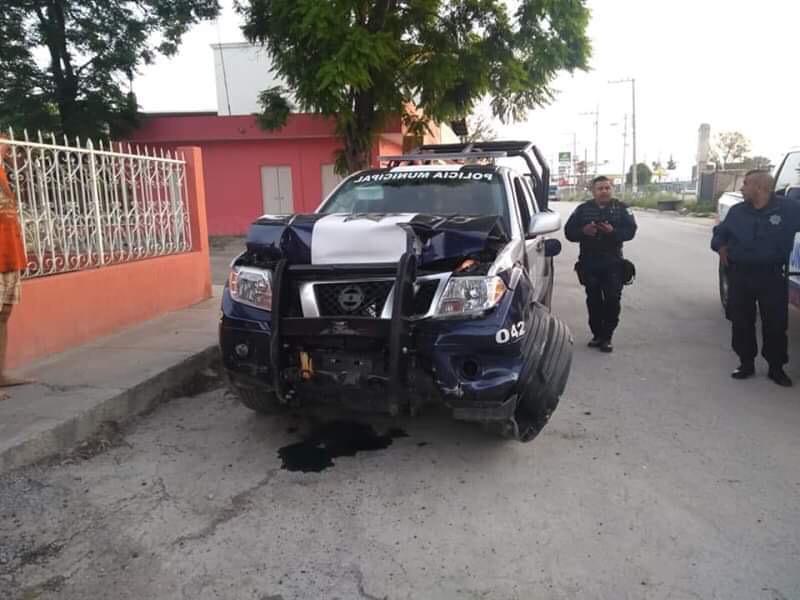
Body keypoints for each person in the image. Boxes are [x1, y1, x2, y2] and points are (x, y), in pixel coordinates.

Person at [711, 170, 800, 387]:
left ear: (760, 187)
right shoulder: (737, 211)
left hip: (771, 275)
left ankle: (776, 368)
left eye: (746, 184)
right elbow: (720, 232)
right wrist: (720, 245)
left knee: (776, 324)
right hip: (740, 274)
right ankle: (746, 363)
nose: (742, 188)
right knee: (741, 322)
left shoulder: (789, 209)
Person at [564, 176, 637, 353]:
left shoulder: (622, 209)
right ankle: (597, 335)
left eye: (607, 188)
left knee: (612, 299)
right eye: (600, 188)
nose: (604, 191)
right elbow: (569, 232)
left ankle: (607, 336)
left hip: (613, 262)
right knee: (594, 300)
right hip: (589, 262)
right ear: (593, 191)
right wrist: (583, 231)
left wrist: (613, 232)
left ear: (612, 189)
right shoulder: (582, 210)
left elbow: (630, 231)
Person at [0, 135, 28, 399]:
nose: (7, 148)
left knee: (4, 314)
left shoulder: (4, 173)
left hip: (9, 254)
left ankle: (1, 373)